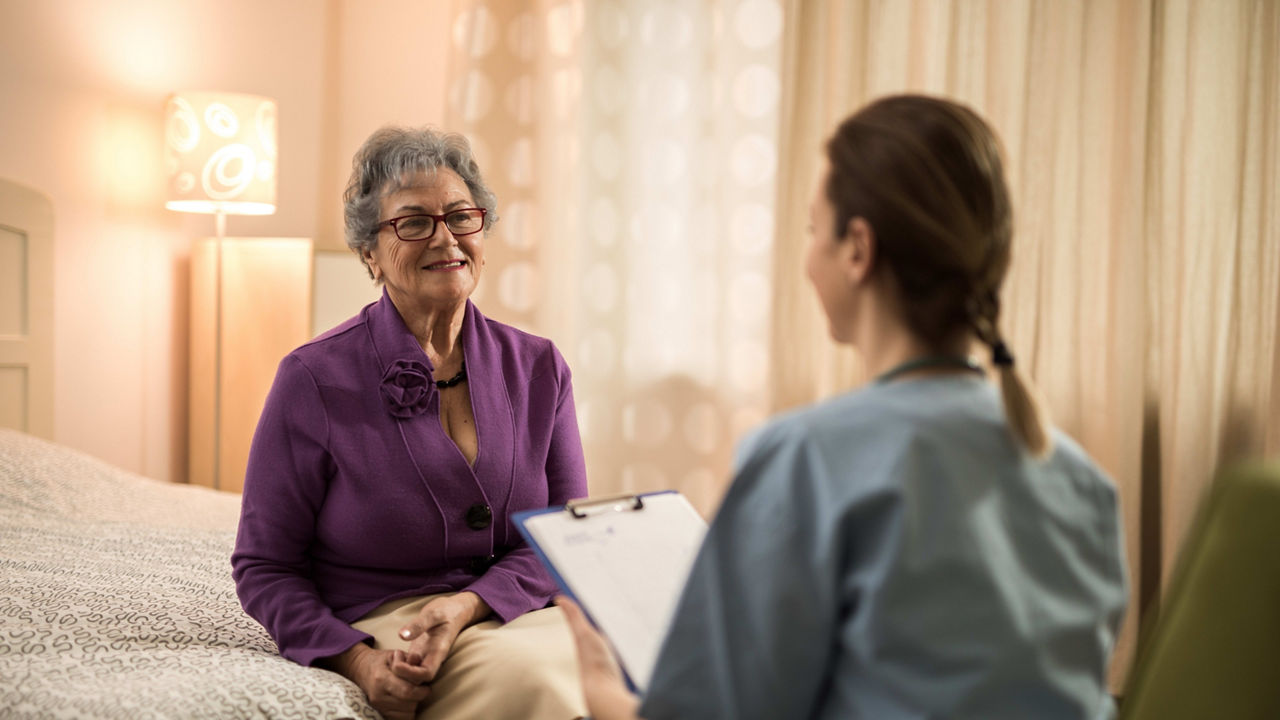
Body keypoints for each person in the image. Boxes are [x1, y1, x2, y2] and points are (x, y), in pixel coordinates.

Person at [559, 94, 1129, 720]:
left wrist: (601, 693)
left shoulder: (805, 460)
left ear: (858, 247)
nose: (807, 256)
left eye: (812, 229)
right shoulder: (1082, 482)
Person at [232, 126, 587, 720]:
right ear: (369, 252)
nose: (445, 238)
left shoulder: (540, 366)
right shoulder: (312, 378)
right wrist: (357, 662)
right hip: (392, 620)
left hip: (512, 609)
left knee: (655, 650)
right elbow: (265, 566)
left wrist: (471, 605)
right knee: (540, 685)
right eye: (413, 222)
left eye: (460, 217)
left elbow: (560, 536)